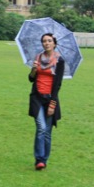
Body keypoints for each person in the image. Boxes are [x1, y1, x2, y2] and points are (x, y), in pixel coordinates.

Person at [28, 33, 65, 171]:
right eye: (44, 41)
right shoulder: (38, 57)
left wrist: (52, 104)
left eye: (49, 41)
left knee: (47, 132)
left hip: (50, 98)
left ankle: (44, 159)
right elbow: (31, 79)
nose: (46, 43)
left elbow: (58, 84)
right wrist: (33, 69)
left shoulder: (59, 61)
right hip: (37, 97)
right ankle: (38, 159)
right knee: (41, 127)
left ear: (54, 43)